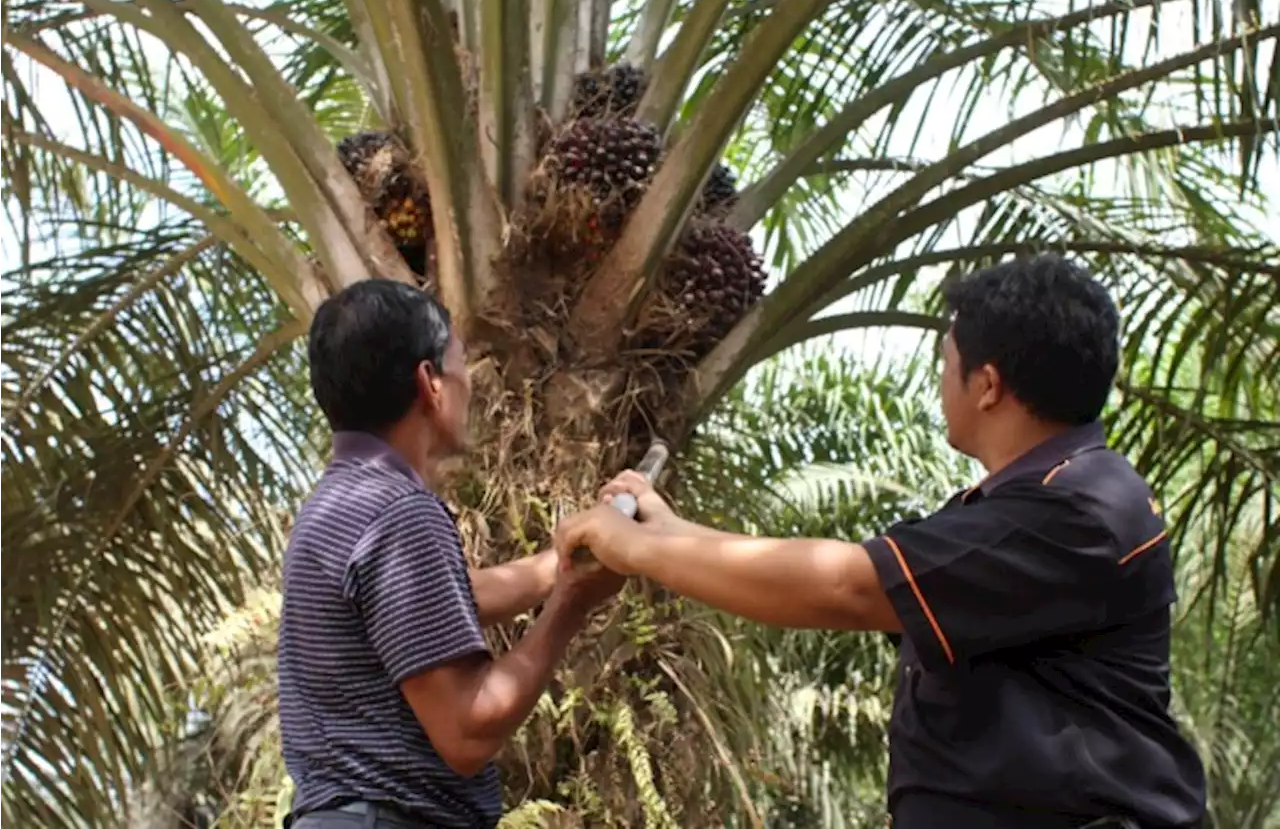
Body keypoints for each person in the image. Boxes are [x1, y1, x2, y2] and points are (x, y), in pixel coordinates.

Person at [554, 254, 1207, 828]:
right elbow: (860, 578)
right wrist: (663, 526)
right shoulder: (1029, 505)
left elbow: (849, 585)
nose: (940, 382)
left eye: (947, 364)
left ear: (988, 385)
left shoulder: (1081, 507)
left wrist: (637, 549)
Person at [278, 279, 624, 829]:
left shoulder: (334, 506)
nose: (471, 387)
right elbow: (467, 731)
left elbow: (438, 605)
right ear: (430, 383)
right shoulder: (399, 512)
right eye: (461, 366)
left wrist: (565, 558)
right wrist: (572, 604)